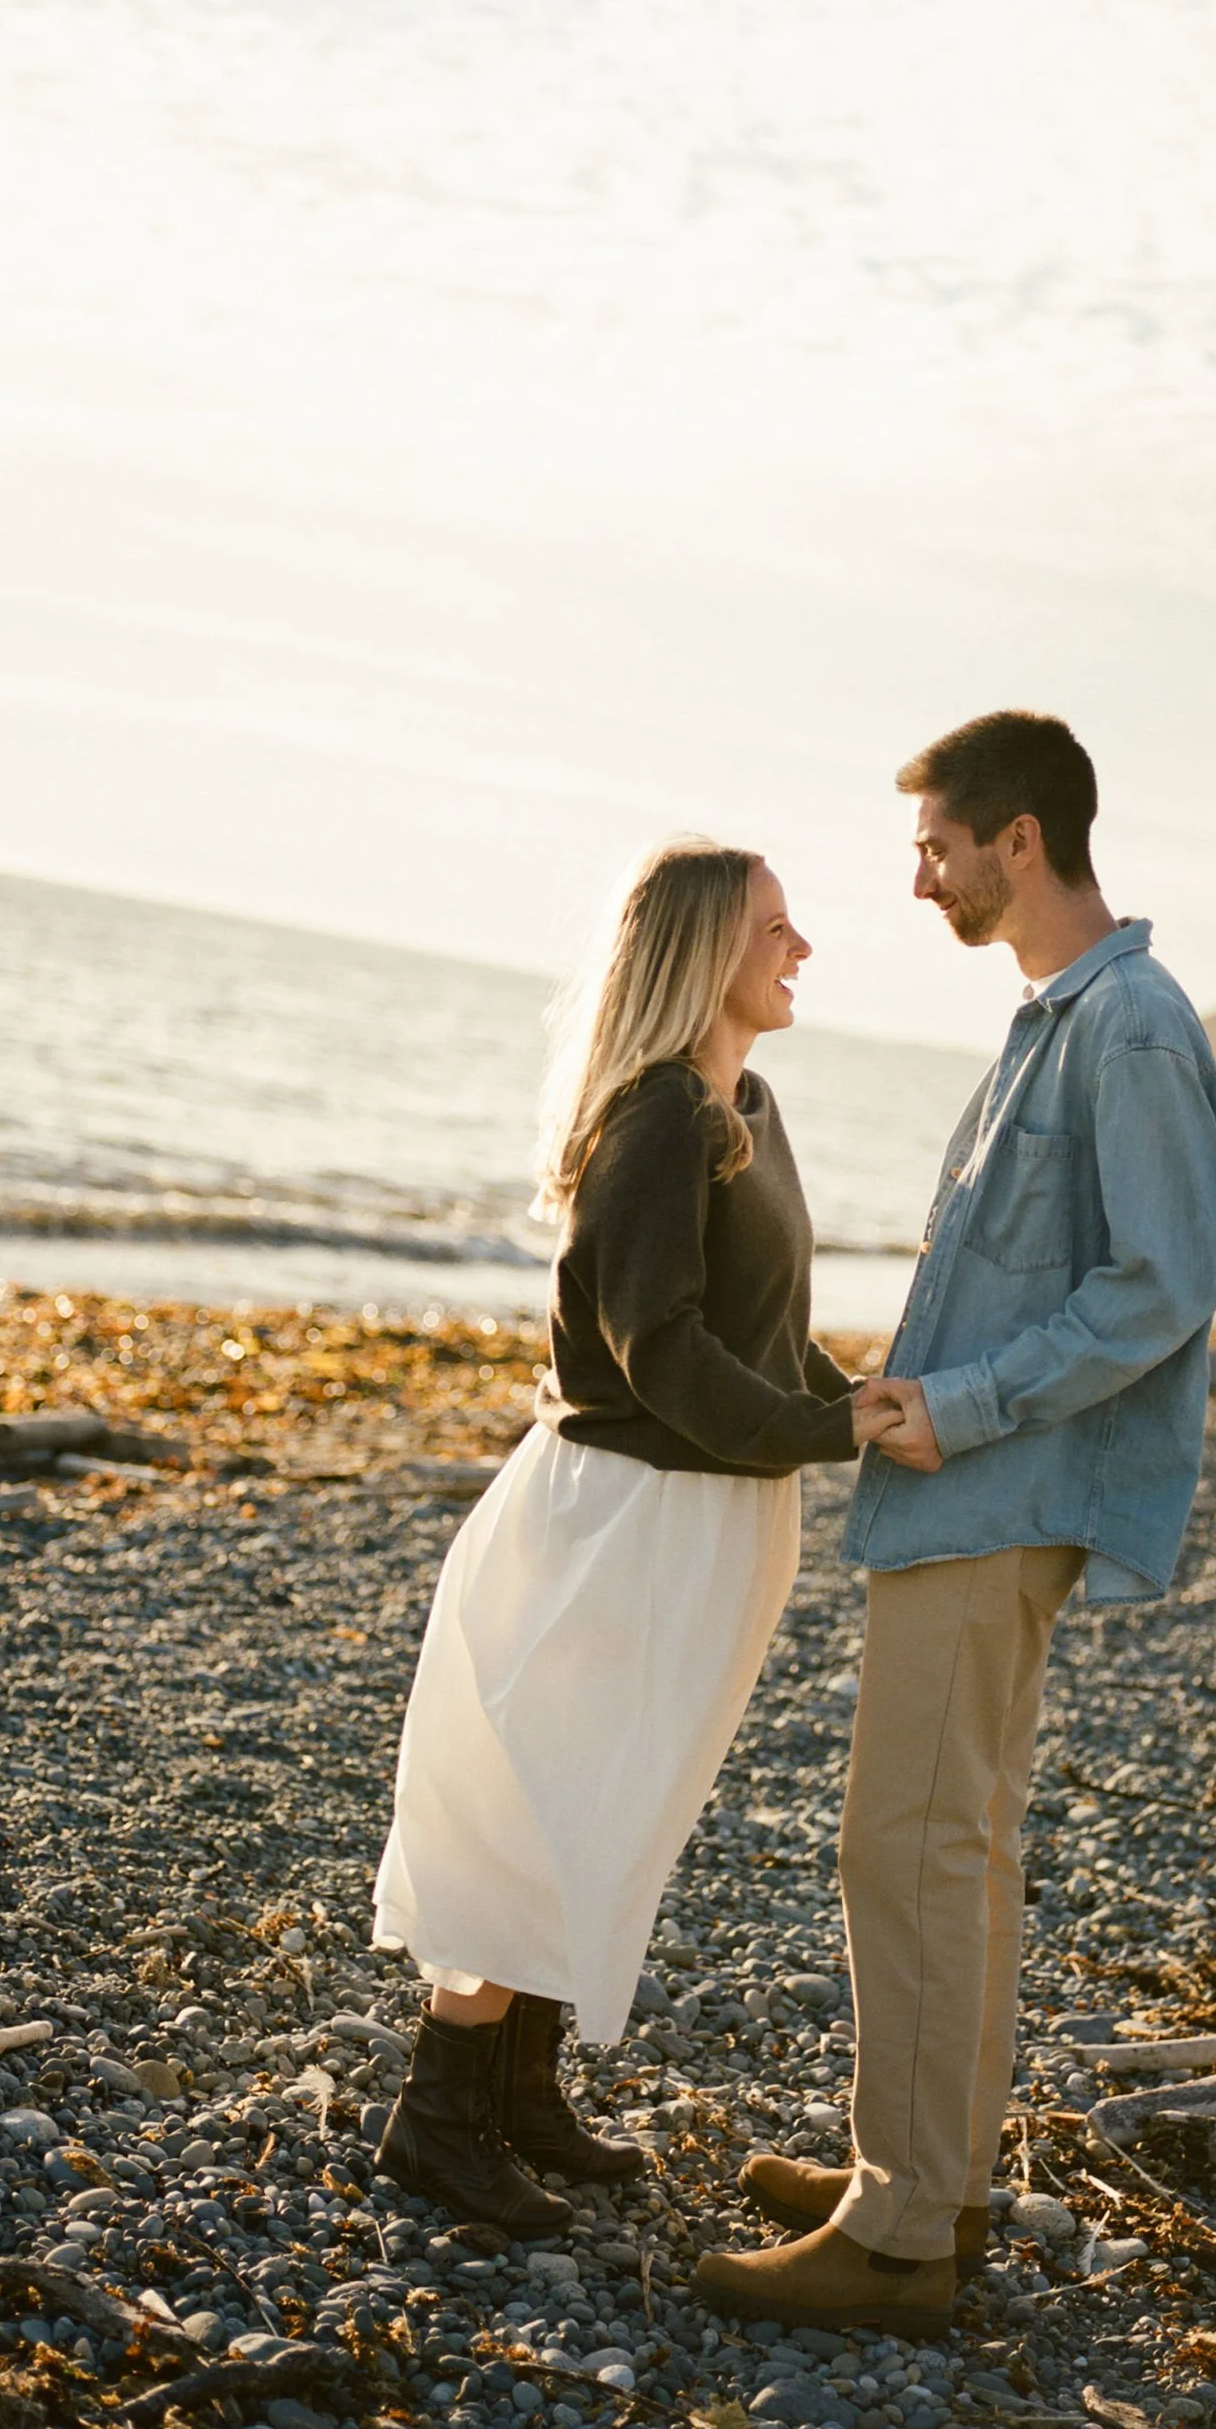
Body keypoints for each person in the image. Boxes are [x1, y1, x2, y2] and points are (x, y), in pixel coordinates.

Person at [690, 710, 1216, 2337]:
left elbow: (1162, 1282)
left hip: (998, 1493)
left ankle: (899, 2228)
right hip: (982, 1484)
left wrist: (969, 1403)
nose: (918, 877)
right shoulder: (1060, 1018)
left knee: (907, 1840)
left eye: (937, 846)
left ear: (1020, 838)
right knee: (961, 1841)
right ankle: (935, 2174)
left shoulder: (1127, 1027)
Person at [370, 837, 902, 2233]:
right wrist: (826, 1432)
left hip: (708, 1518)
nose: (801, 950)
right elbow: (656, 1350)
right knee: (541, 1802)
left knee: (611, 1805)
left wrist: (845, 1399)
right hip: (619, 1515)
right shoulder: (659, 1116)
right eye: (775, 929)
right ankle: (438, 2117)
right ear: (705, 953)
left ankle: (521, 2092)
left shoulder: (746, 1106)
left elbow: (760, 1333)